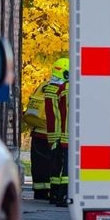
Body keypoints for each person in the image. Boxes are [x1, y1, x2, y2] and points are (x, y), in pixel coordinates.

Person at [43, 57, 70, 207]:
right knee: (65, 168)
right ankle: (63, 195)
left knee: (55, 167)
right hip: (65, 134)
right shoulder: (67, 89)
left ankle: (55, 194)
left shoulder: (50, 88)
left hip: (55, 134)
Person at [23, 78, 53, 200]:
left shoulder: (43, 85)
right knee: (54, 165)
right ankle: (54, 193)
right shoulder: (67, 87)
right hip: (55, 134)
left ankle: (40, 193)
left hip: (37, 133)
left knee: (39, 165)